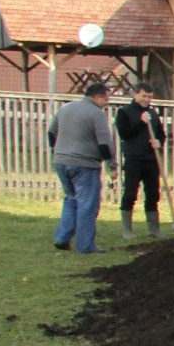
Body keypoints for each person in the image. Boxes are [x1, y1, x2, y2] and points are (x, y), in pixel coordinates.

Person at [47, 80, 114, 254]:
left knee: (71, 199)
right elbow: (105, 143)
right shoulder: (96, 114)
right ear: (97, 96)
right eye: (106, 99)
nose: (106, 103)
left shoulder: (65, 108)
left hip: (61, 161)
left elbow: (51, 132)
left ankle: (62, 238)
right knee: (87, 205)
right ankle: (85, 246)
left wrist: (56, 150)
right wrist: (112, 165)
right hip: (85, 164)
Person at [113, 82, 164, 240]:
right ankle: (127, 230)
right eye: (144, 96)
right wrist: (141, 122)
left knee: (153, 194)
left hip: (151, 159)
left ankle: (154, 229)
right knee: (130, 194)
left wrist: (159, 142)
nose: (147, 99)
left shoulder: (153, 113)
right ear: (135, 94)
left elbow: (161, 134)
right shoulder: (124, 112)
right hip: (134, 159)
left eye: (149, 97)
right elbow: (125, 134)